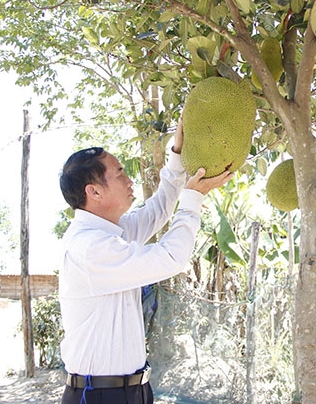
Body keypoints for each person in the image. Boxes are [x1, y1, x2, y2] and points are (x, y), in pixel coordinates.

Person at [58, 119, 233, 404]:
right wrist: (194, 197)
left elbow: (159, 207)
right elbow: (171, 257)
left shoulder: (111, 234)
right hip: (99, 395)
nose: (130, 181)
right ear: (94, 191)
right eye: (120, 175)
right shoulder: (89, 247)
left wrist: (177, 152)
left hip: (132, 390)